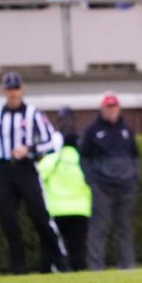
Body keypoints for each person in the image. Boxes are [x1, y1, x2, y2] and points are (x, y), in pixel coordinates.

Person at [0, 72, 68, 274]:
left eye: (15, 88)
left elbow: (51, 141)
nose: (13, 93)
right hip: (3, 169)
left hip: (26, 168)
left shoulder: (33, 114)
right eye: (9, 89)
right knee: (8, 220)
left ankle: (59, 261)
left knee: (40, 216)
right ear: (4, 91)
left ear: (22, 89)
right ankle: (18, 267)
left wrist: (29, 149)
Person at [81, 92, 140, 270]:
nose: (112, 111)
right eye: (108, 107)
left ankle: (127, 265)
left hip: (125, 185)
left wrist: (135, 177)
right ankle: (96, 266)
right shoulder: (93, 130)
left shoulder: (126, 129)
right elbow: (84, 157)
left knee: (124, 227)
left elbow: (135, 155)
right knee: (99, 227)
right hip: (102, 186)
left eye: (114, 107)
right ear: (102, 109)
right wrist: (91, 180)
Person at [37, 109, 92, 271]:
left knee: (51, 247)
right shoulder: (79, 157)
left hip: (58, 208)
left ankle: (48, 273)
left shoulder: (55, 157)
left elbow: (39, 174)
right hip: (78, 208)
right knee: (77, 249)